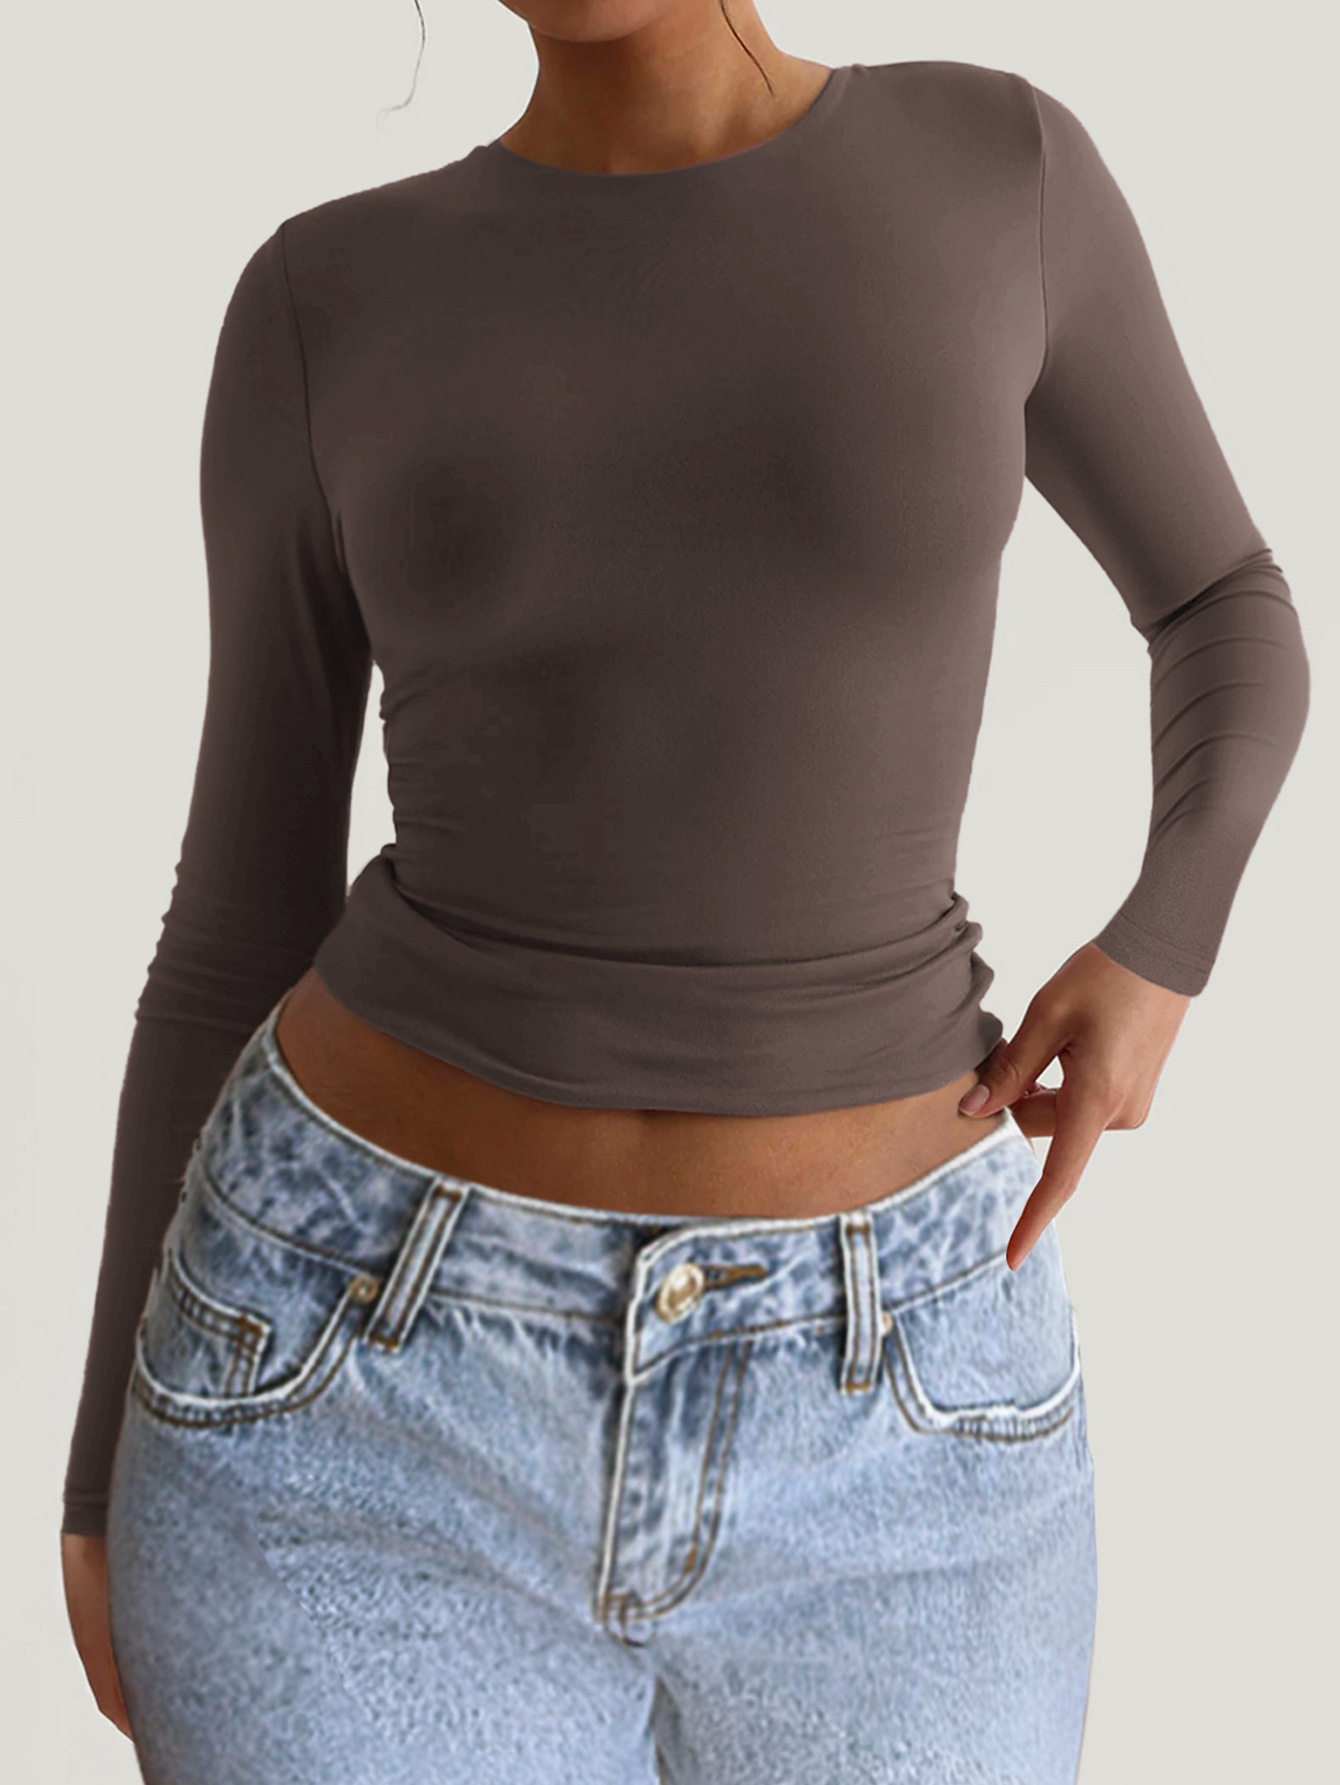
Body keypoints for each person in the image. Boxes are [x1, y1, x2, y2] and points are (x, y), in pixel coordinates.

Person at [60, 4, 1310, 1781]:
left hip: (902, 1424)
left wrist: (1162, 945)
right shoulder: (322, 297)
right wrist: (98, 1471)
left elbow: (1222, 604)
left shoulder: (995, 170)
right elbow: (236, 920)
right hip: (348, 1397)